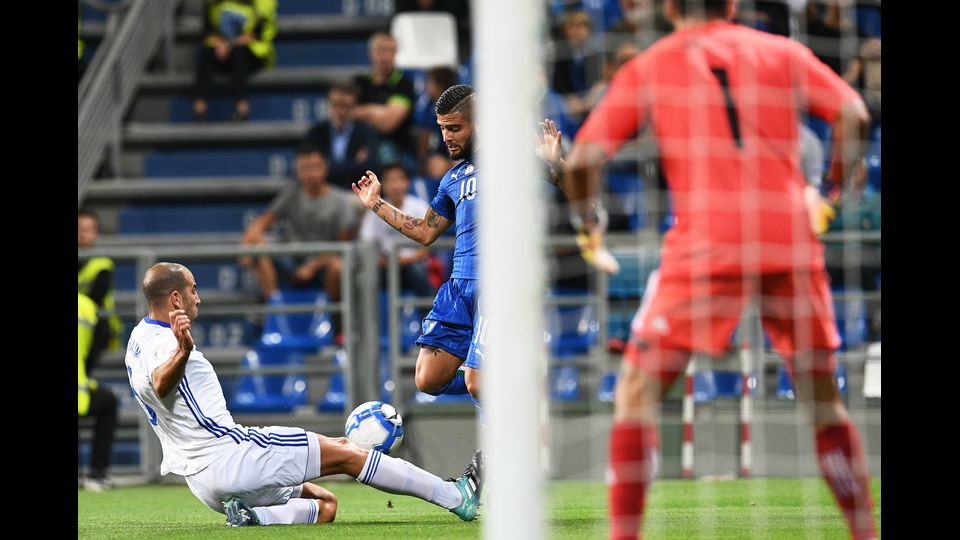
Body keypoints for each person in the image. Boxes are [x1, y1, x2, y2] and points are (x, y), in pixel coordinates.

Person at [558, 1, 877, 539]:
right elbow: (854, 115)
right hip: (788, 238)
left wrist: (589, 222)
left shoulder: (653, 64)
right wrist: (827, 194)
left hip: (708, 243)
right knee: (825, 404)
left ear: (667, 6)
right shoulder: (782, 51)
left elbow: (584, 160)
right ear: (731, 4)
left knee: (636, 393)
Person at [124, 262, 484, 526]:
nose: (197, 298)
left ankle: (255, 518)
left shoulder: (138, 338)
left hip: (203, 484)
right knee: (348, 452)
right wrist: (184, 350)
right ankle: (457, 497)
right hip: (231, 457)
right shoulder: (167, 342)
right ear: (175, 297)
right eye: (193, 290)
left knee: (325, 504)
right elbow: (161, 383)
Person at [353, 84, 482, 402]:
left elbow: (567, 183)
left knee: (479, 384)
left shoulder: (511, 166)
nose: (446, 138)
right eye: (442, 129)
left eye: (454, 128)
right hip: (459, 287)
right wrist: (377, 204)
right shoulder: (453, 179)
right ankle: (500, 380)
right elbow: (425, 231)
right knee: (428, 379)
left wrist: (555, 166)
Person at [241, 141, 358, 305]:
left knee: (338, 267)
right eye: (305, 168)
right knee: (259, 247)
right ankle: (275, 310)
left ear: (325, 168)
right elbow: (261, 223)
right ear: (297, 170)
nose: (310, 174)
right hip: (293, 258)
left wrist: (312, 267)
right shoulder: (291, 194)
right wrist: (247, 247)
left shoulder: (340, 201)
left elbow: (342, 247)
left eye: (315, 167)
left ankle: (333, 317)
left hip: (324, 261)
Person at [358, 162, 435, 298]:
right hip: (385, 264)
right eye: (390, 180)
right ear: (382, 185)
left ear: (407, 182)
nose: (395, 185)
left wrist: (407, 260)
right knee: (366, 277)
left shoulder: (419, 206)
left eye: (399, 179)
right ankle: (371, 318)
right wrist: (381, 260)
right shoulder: (375, 209)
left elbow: (429, 242)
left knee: (419, 274)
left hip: (412, 263)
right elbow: (367, 242)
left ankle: (427, 315)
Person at [192, 0, 277, 121]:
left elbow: (261, 31)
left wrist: (232, 43)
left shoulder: (262, 3)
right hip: (222, 48)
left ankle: (241, 108)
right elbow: (208, 30)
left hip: (252, 50)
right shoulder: (213, 3)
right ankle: (199, 109)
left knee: (239, 53)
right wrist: (219, 43)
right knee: (205, 52)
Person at [352, 33, 418, 168]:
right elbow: (348, 114)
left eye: (391, 51)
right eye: (382, 50)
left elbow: (389, 123)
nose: (386, 56)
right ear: (371, 53)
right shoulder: (359, 83)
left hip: (397, 148)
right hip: (361, 144)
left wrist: (364, 111)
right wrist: (379, 111)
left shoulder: (404, 84)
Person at [304, 82, 380, 191]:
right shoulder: (315, 133)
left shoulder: (367, 132)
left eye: (346, 106)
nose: (340, 111)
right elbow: (310, 168)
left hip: (356, 192)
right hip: (323, 191)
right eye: (336, 105)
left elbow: (370, 167)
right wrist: (354, 163)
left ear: (354, 107)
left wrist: (328, 166)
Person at [78, 292, 119, 491]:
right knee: (108, 402)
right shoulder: (86, 305)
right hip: (80, 386)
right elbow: (105, 340)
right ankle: (97, 473)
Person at [79, 209, 123, 372]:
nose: (82, 234)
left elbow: (95, 298)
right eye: (79, 229)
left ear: (95, 233)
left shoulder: (102, 264)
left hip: (99, 326)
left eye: (88, 230)